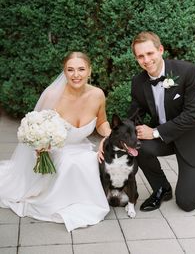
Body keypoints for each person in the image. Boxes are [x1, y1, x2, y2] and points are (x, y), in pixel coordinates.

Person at [0, 51, 111, 231]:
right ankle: (61, 202)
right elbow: (37, 127)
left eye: (81, 69)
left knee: (90, 159)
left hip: (81, 147)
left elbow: (102, 122)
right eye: (71, 70)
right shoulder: (52, 95)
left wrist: (108, 137)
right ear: (64, 72)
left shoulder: (97, 94)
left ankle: (84, 201)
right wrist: (40, 146)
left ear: (90, 71)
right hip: (56, 149)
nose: (76, 75)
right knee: (71, 163)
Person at [128, 31, 195, 212]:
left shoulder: (189, 72)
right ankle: (162, 188)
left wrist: (153, 132)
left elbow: (192, 115)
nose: (146, 60)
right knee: (138, 146)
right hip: (165, 137)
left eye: (150, 53)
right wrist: (113, 136)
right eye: (140, 56)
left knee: (186, 203)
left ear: (160, 50)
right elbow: (133, 115)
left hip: (192, 137)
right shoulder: (138, 82)